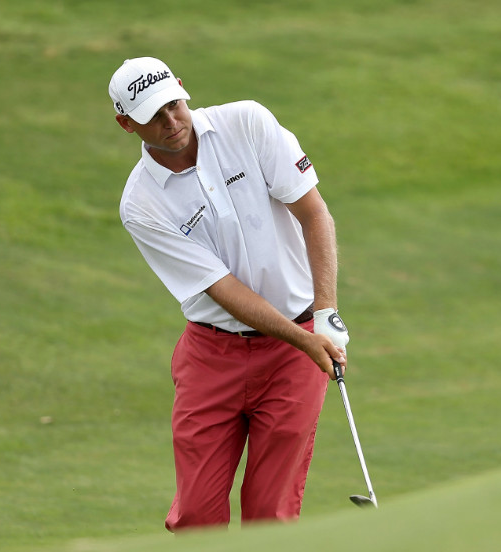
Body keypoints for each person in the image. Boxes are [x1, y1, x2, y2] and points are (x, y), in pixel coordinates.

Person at [108, 57, 351, 532]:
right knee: (196, 516)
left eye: (173, 104)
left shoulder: (247, 122)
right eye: (152, 116)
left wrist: (325, 313)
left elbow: (314, 213)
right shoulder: (140, 203)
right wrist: (305, 341)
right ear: (126, 124)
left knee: (270, 512)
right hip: (212, 354)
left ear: (182, 88)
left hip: (294, 346)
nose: (172, 121)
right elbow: (224, 289)